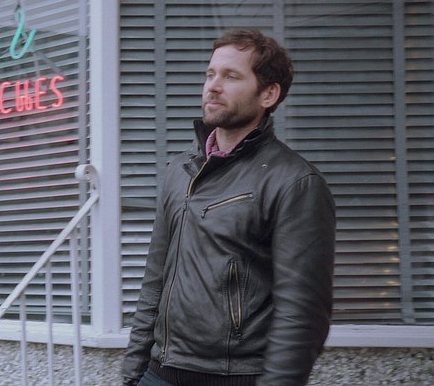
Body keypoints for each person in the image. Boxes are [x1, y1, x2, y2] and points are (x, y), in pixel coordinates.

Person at [121, 29, 336, 386]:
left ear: (268, 94)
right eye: (210, 74)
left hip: (235, 377)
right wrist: (132, 374)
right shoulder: (180, 170)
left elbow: (302, 313)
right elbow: (155, 280)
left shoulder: (294, 182)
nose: (213, 86)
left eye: (231, 76)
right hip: (158, 373)